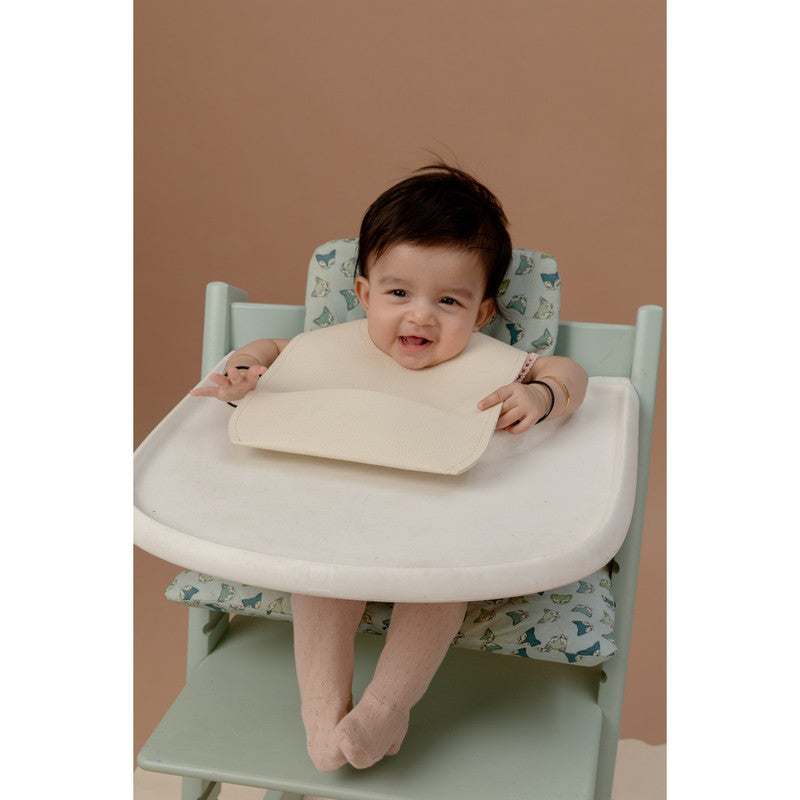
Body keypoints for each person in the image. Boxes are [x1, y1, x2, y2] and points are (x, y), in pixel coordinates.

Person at [190, 164, 588, 772]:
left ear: (482, 313)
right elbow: (273, 352)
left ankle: (385, 707)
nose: (420, 317)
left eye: (448, 301)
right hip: (336, 518)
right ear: (364, 293)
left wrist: (542, 394)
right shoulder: (333, 346)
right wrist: (245, 366)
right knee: (318, 577)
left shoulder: (495, 361)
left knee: (445, 589)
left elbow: (570, 373)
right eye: (398, 293)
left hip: (439, 533)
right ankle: (322, 708)